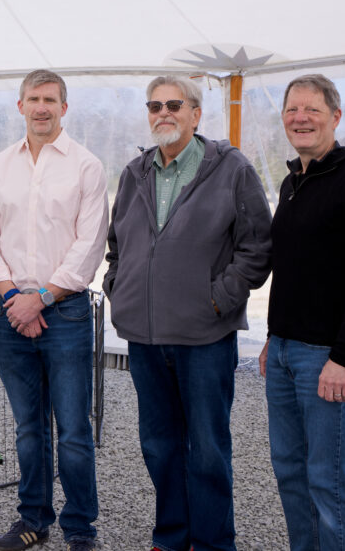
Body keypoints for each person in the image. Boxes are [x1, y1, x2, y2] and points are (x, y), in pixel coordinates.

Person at [103, 76, 272, 551]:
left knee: (209, 449)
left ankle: (214, 541)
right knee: (159, 446)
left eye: (173, 104)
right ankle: (171, 536)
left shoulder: (231, 168)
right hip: (146, 336)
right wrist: (119, 289)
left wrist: (219, 297)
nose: (163, 112)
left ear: (196, 114)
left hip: (205, 337)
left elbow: (257, 246)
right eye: (154, 105)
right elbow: (117, 246)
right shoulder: (135, 172)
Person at [259, 74, 345, 551]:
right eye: (293, 110)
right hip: (283, 353)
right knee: (292, 476)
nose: (301, 118)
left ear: (335, 117)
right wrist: (273, 339)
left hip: (329, 358)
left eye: (312, 110)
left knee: (333, 487)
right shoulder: (292, 182)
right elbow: (295, 269)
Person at [0, 69, 108, 551]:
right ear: (19, 106)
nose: (41, 107)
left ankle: (80, 529)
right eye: (33, 99)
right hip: (11, 312)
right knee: (29, 429)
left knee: (74, 430)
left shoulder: (86, 167)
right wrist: (16, 300)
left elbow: (88, 245)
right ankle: (33, 519)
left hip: (67, 312)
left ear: (64, 107)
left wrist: (42, 299)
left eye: (50, 99)